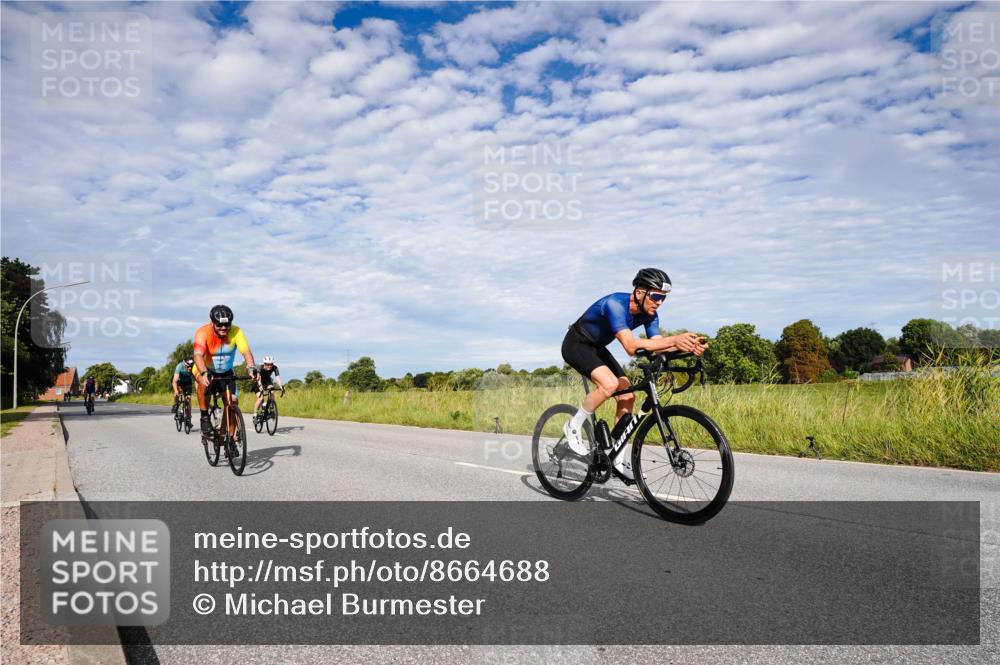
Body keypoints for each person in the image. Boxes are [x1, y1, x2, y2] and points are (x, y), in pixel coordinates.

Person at [561, 268, 707, 480]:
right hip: (576, 343)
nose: (659, 302)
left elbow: (657, 345)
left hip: (598, 347)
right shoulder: (615, 304)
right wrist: (674, 339)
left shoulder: (650, 315)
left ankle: (617, 459)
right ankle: (573, 426)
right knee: (609, 384)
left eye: (663, 298)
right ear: (640, 292)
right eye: (656, 296)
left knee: (627, 395)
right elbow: (630, 346)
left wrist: (687, 347)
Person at [193, 305, 257, 455]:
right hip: (205, 369)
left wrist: (251, 366)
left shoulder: (236, 331)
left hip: (226, 372)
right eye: (219, 324)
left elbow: (246, 352)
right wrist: (203, 373)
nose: (223, 327)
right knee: (203, 382)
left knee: (232, 402)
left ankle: (227, 438)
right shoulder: (203, 332)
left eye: (226, 324)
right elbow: (197, 356)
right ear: (212, 323)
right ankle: (204, 417)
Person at [253, 355, 285, 421]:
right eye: (267, 364)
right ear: (264, 363)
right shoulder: (259, 367)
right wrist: (260, 386)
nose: (270, 366)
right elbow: (259, 378)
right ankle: (255, 414)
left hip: (267, 381)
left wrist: (281, 386)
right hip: (257, 381)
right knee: (261, 398)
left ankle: (271, 408)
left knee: (272, 390)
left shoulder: (275, 368)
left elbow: (277, 377)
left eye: (271, 364)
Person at [171, 358, 195, 425]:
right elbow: (174, 381)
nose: (190, 368)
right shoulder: (179, 366)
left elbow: (196, 379)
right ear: (184, 365)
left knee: (188, 399)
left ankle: (188, 419)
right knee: (176, 394)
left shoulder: (193, 368)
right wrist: (176, 390)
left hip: (187, 382)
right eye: (188, 366)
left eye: (191, 366)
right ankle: (175, 404)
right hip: (178, 382)